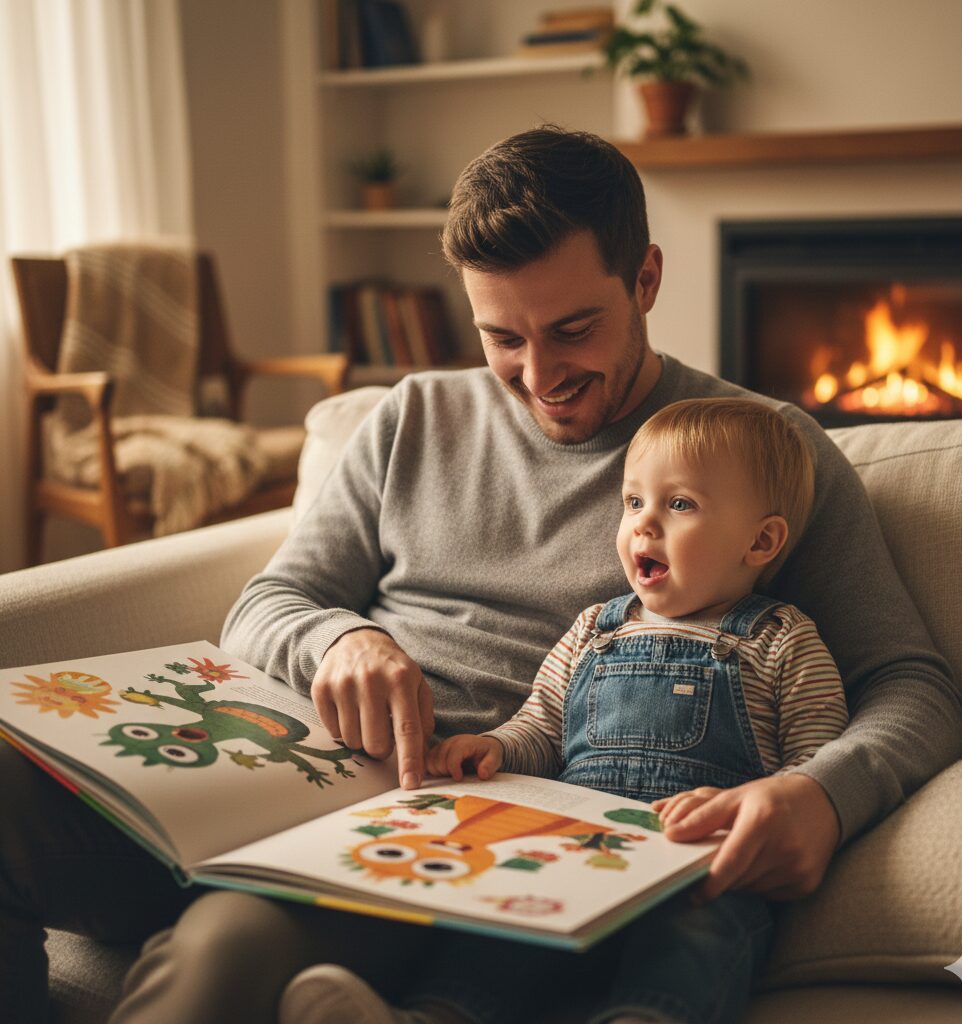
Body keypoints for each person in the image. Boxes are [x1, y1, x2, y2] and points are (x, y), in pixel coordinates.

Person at [0, 126, 962, 1024]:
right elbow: (267, 602)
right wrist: (343, 637)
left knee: (223, 960)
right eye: (503, 337)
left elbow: (911, 683)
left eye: (574, 329)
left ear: (646, 278)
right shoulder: (409, 416)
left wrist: (826, 792)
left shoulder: (758, 455)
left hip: (458, 837)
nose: (539, 374)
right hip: (287, 777)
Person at [277, 396, 850, 1024]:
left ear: (761, 540)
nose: (644, 525)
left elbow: (817, 760)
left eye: (678, 504)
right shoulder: (593, 629)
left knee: (695, 942)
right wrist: (494, 746)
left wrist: (782, 798)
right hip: (576, 856)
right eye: (634, 502)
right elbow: (543, 724)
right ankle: (434, 1014)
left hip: (696, 871)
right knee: (495, 932)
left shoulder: (782, 640)